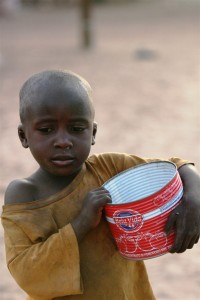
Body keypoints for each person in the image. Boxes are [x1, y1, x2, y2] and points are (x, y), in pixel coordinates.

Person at [1, 70, 200, 300]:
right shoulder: (25, 193)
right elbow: (26, 272)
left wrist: (194, 199)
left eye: (77, 129)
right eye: (46, 130)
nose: (63, 141)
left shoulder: (109, 168)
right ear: (23, 136)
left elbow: (176, 167)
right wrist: (81, 224)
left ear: (93, 132)